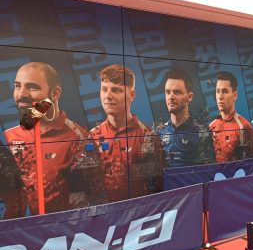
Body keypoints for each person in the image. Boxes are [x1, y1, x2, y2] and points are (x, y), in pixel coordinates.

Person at [5, 62, 102, 215]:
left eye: (32, 87)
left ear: (55, 94)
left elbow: (94, 198)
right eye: (17, 86)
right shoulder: (9, 136)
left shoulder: (78, 139)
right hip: (17, 233)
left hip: (58, 233)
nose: (21, 94)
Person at [90, 64, 163, 202]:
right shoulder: (91, 137)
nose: (108, 96)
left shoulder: (147, 137)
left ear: (132, 95)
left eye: (116, 90)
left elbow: (156, 189)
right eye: (104, 89)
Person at [158, 70, 205, 167]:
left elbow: (207, 171)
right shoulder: (159, 132)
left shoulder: (201, 132)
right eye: (168, 92)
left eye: (177, 92)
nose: (171, 97)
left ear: (190, 97)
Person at [209, 71, 253, 163]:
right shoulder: (211, 126)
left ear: (235, 95)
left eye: (225, 91)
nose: (220, 96)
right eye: (218, 91)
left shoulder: (244, 127)